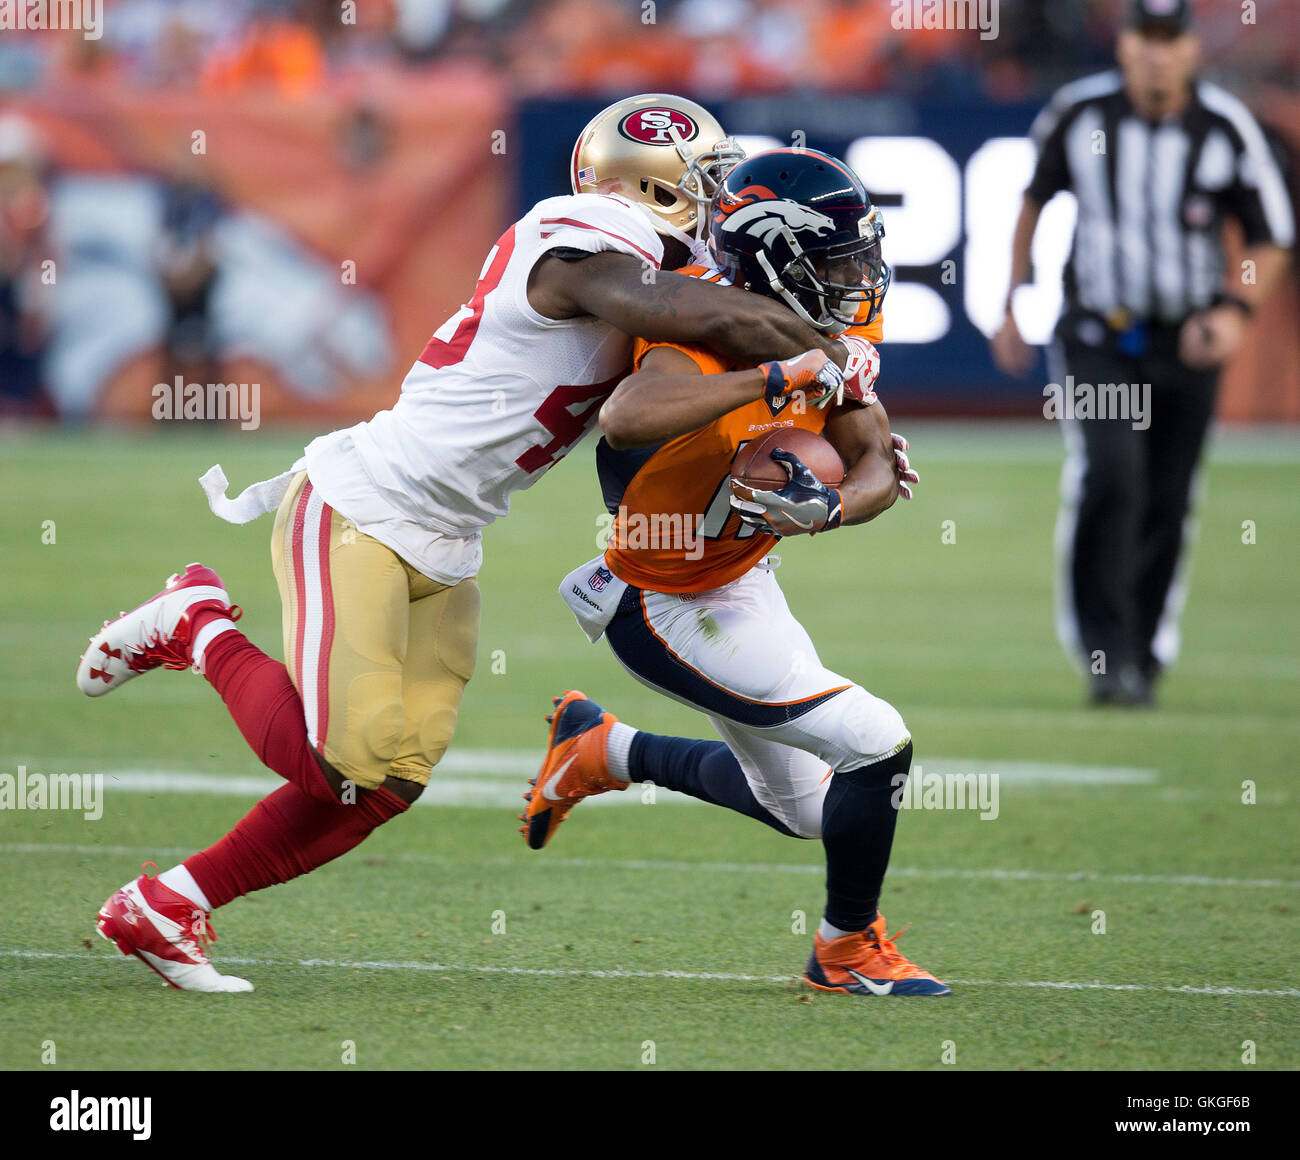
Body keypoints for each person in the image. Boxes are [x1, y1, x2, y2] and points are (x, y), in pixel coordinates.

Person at [75, 95, 876, 993]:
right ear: (644, 185)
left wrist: (830, 380)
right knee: (341, 754)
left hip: (450, 537)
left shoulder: (670, 264)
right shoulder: (578, 239)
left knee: (385, 783)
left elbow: (715, 332)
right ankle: (196, 626)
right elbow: (690, 314)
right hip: (362, 505)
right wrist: (826, 349)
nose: (716, 201)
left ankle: (166, 903)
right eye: (702, 182)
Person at [525, 149, 947, 997]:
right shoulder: (702, 334)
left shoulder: (822, 328)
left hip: (740, 582)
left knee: (805, 810)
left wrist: (831, 508)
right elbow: (628, 412)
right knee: (876, 741)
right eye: (835, 261)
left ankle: (602, 749)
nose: (856, 277)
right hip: (665, 602)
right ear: (776, 260)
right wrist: (777, 377)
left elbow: (872, 462)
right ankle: (847, 950)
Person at [990, 0, 1294, 705]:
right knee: (1111, 473)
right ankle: (1106, 652)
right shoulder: (1080, 113)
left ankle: (1144, 647)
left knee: (1168, 493)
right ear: (1124, 46)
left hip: (1187, 341)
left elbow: (1269, 234)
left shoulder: (1223, 126)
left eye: (1171, 40)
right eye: (1145, 39)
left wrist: (1235, 310)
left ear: (1191, 49)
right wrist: (1012, 298)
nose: (1158, 54)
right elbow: (1032, 201)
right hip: (1098, 333)